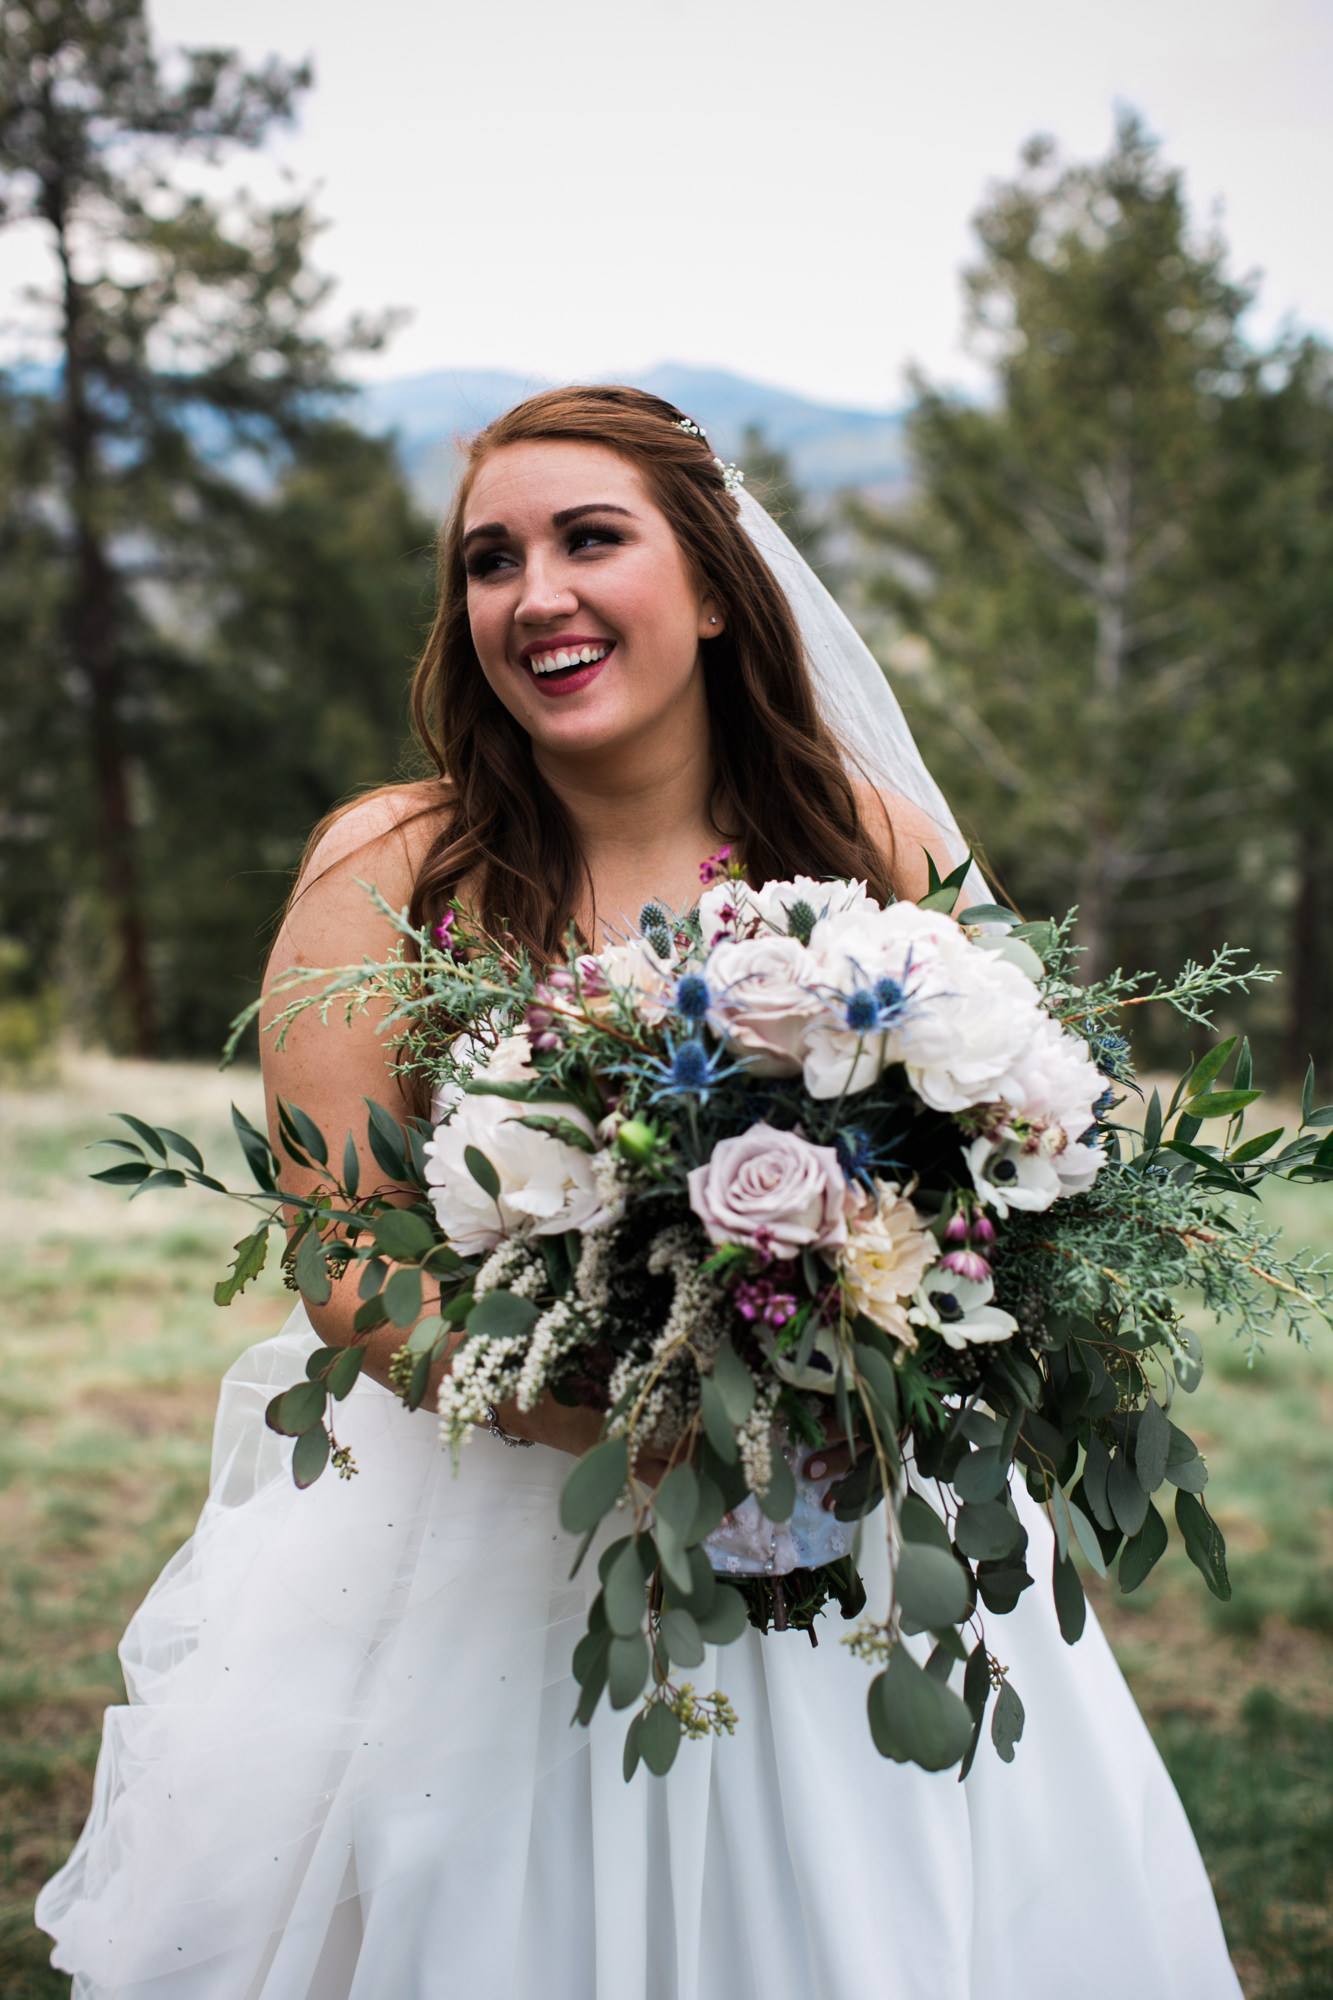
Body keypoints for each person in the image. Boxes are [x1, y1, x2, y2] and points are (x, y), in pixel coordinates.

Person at [37, 387, 1242, 1999]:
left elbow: (1019, 1149)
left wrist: (883, 1354)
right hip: (488, 1545)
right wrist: (642, 1422)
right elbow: (340, 1253)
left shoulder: (872, 840)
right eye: (488, 561)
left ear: (717, 589)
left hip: (855, 1529)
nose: (532, 595)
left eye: (588, 539)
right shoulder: (393, 868)